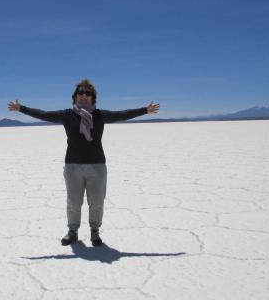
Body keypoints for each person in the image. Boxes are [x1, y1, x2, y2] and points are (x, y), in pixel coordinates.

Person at [8, 79, 159, 246]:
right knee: (73, 202)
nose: (84, 96)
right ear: (75, 97)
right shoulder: (67, 115)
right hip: (73, 166)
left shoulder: (100, 115)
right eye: (81, 93)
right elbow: (44, 114)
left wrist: (145, 110)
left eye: (88, 94)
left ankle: (95, 231)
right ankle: (72, 232)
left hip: (97, 166)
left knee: (96, 202)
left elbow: (122, 114)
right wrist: (22, 108)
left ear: (93, 98)